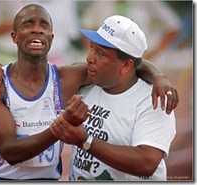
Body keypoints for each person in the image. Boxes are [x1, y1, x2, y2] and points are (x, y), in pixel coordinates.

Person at [0, 4, 178, 180]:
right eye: (28, 24)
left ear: (52, 38)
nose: (90, 58)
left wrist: (159, 76)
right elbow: (9, 151)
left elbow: (131, 64)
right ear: (14, 36)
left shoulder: (71, 79)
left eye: (44, 25)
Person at [49, 15, 176, 181]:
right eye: (92, 48)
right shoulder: (85, 85)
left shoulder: (152, 100)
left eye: (100, 53)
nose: (89, 58)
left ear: (126, 66)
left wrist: (85, 141)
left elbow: (147, 163)